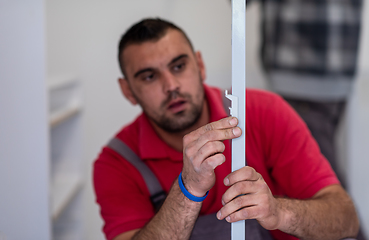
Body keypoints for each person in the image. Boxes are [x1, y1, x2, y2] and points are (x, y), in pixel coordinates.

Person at [93, 18, 359, 240]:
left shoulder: (265, 113)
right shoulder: (117, 163)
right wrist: (188, 190)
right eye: (150, 76)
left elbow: (346, 219)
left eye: (179, 66)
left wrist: (279, 212)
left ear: (200, 65)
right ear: (128, 91)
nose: (171, 85)